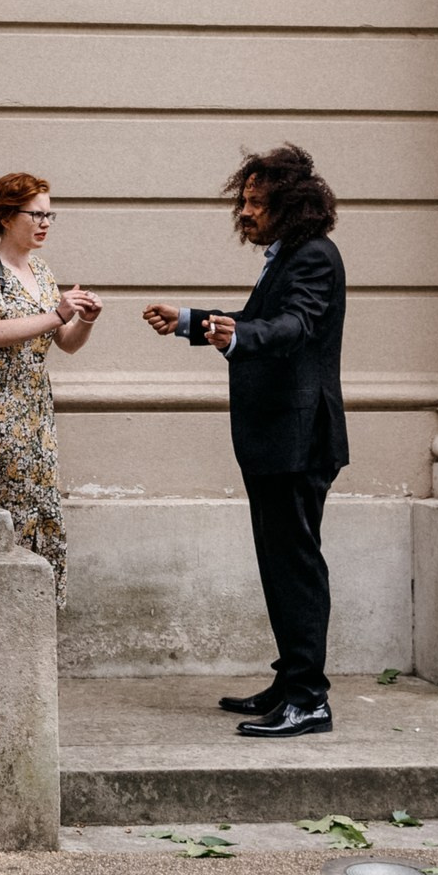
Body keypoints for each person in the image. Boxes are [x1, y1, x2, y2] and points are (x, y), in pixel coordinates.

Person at [142, 145, 348, 741]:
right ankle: (290, 682)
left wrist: (241, 334)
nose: (245, 212)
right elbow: (259, 319)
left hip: (298, 440)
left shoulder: (313, 257)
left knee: (296, 567)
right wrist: (189, 319)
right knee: (279, 566)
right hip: (274, 440)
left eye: (257, 202)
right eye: (244, 200)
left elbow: (295, 325)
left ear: (291, 206)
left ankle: (310, 700)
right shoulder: (284, 255)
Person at [0, 173, 101, 601]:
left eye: (49, 214)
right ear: (6, 215)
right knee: (6, 510)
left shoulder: (41, 271)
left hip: (36, 413)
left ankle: (32, 614)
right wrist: (58, 313)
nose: (45, 222)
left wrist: (84, 318)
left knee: (39, 507)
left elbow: (65, 344)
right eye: (36, 214)